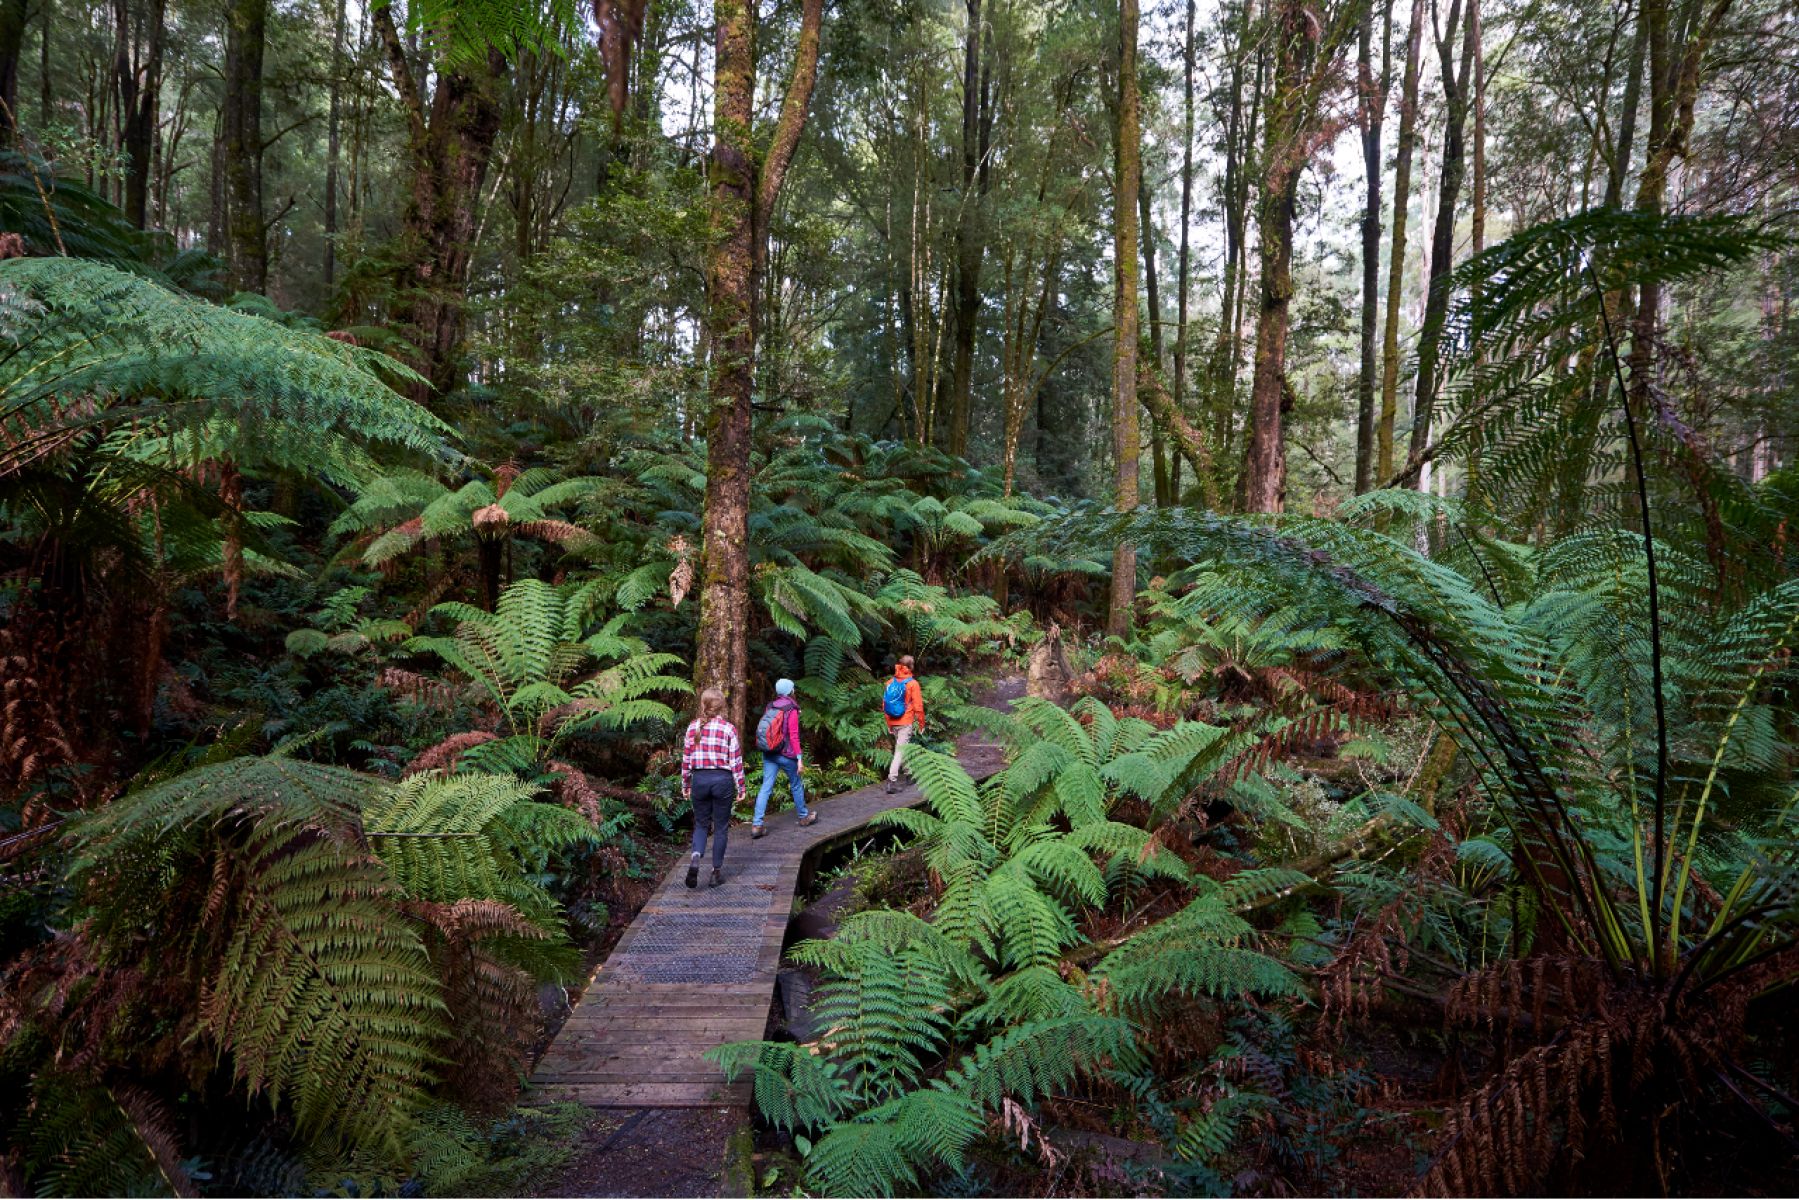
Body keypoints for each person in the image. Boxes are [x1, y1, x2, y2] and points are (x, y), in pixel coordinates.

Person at [680, 687, 744, 888]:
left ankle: (696, 857)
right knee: (721, 827)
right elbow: (736, 761)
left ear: (703, 705)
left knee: (701, 824)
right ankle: (716, 872)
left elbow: (686, 759)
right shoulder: (728, 729)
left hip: (699, 779)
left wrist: (686, 784)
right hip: (722, 780)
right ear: (722, 707)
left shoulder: (692, 728)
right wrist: (740, 787)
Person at [752, 678, 815, 837]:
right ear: (790, 691)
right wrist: (799, 758)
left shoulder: (770, 706)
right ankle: (803, 817)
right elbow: (794, 736)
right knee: (795, 784)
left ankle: (757, 825)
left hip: (770, 753)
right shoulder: (791, 709)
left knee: (766, 787)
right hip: (786, 755)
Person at [883, 655, 925, 795]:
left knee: (903, 748)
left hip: (893, 721)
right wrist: (921, 723)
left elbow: (885, 705)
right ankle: (892, 781)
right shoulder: (913, 684)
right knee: (900, 751)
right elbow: (918, 706)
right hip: (905, 722)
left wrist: (889, 724)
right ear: (911, 667)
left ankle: (909, 774)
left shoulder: (890, 682)